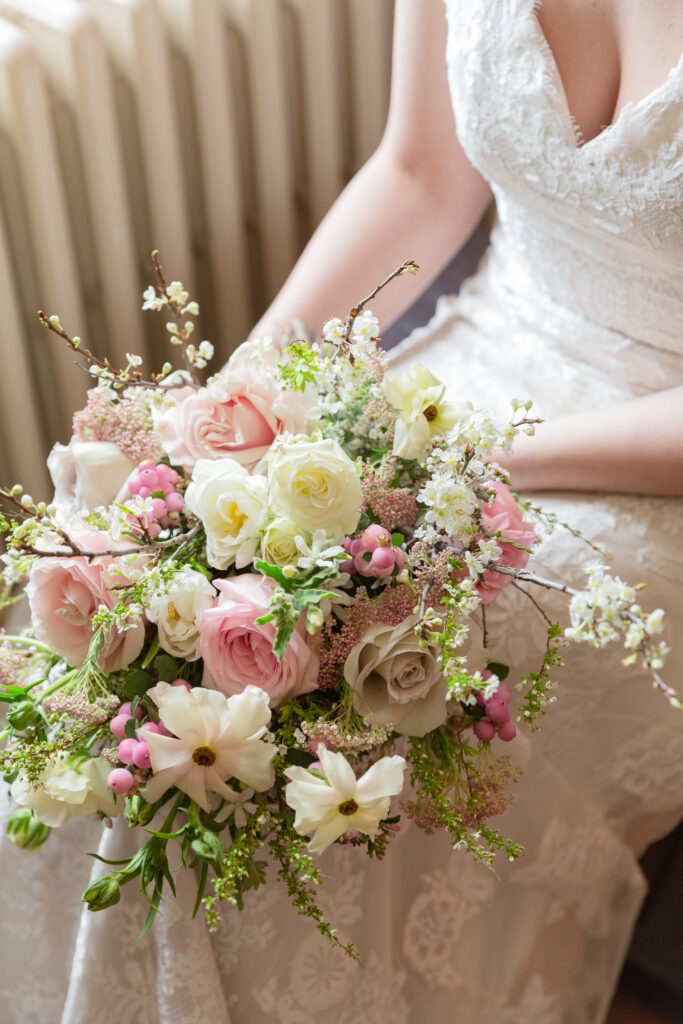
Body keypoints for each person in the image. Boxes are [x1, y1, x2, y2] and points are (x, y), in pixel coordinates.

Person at [1, 2, 682, 1021]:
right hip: (463, 377)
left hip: (637, 460)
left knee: (359, 744)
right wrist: (237, 401)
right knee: (121, 674)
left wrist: (470, 462)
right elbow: (418, 173)